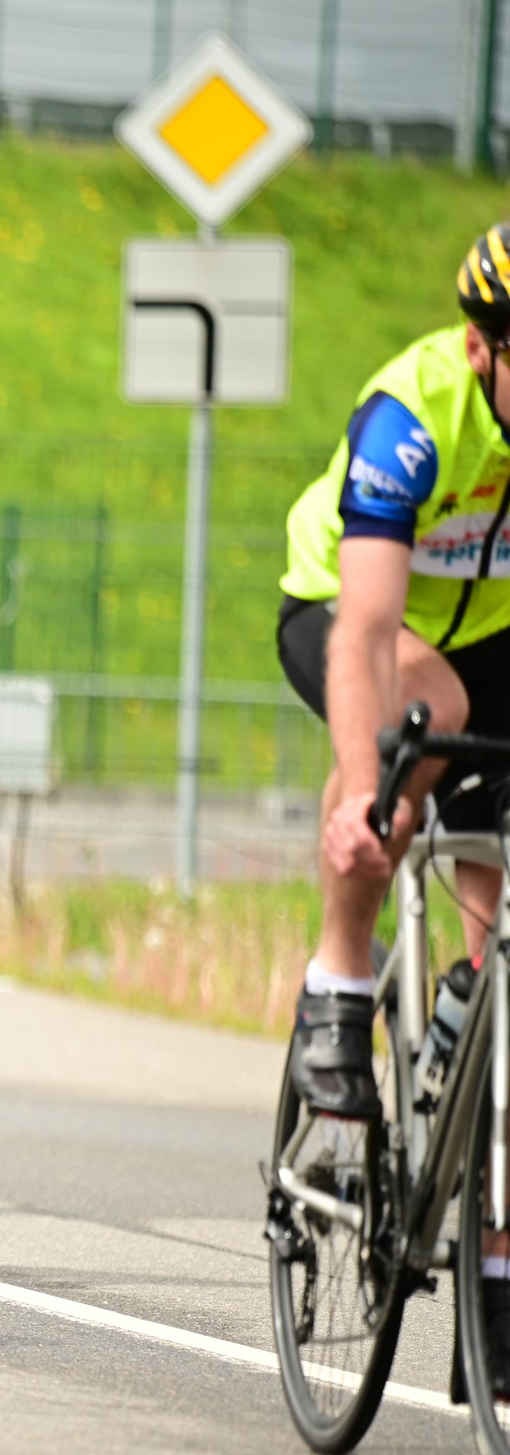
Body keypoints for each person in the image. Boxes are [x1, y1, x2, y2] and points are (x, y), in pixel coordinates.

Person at [279, 225, 510, 1122]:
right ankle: (337, 978)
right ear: (478, 348)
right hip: (348, 609)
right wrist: (362, 799)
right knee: (427, 707)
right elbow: (371, 631)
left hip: (491, 631)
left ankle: (475, 1011)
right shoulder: (410, 417)